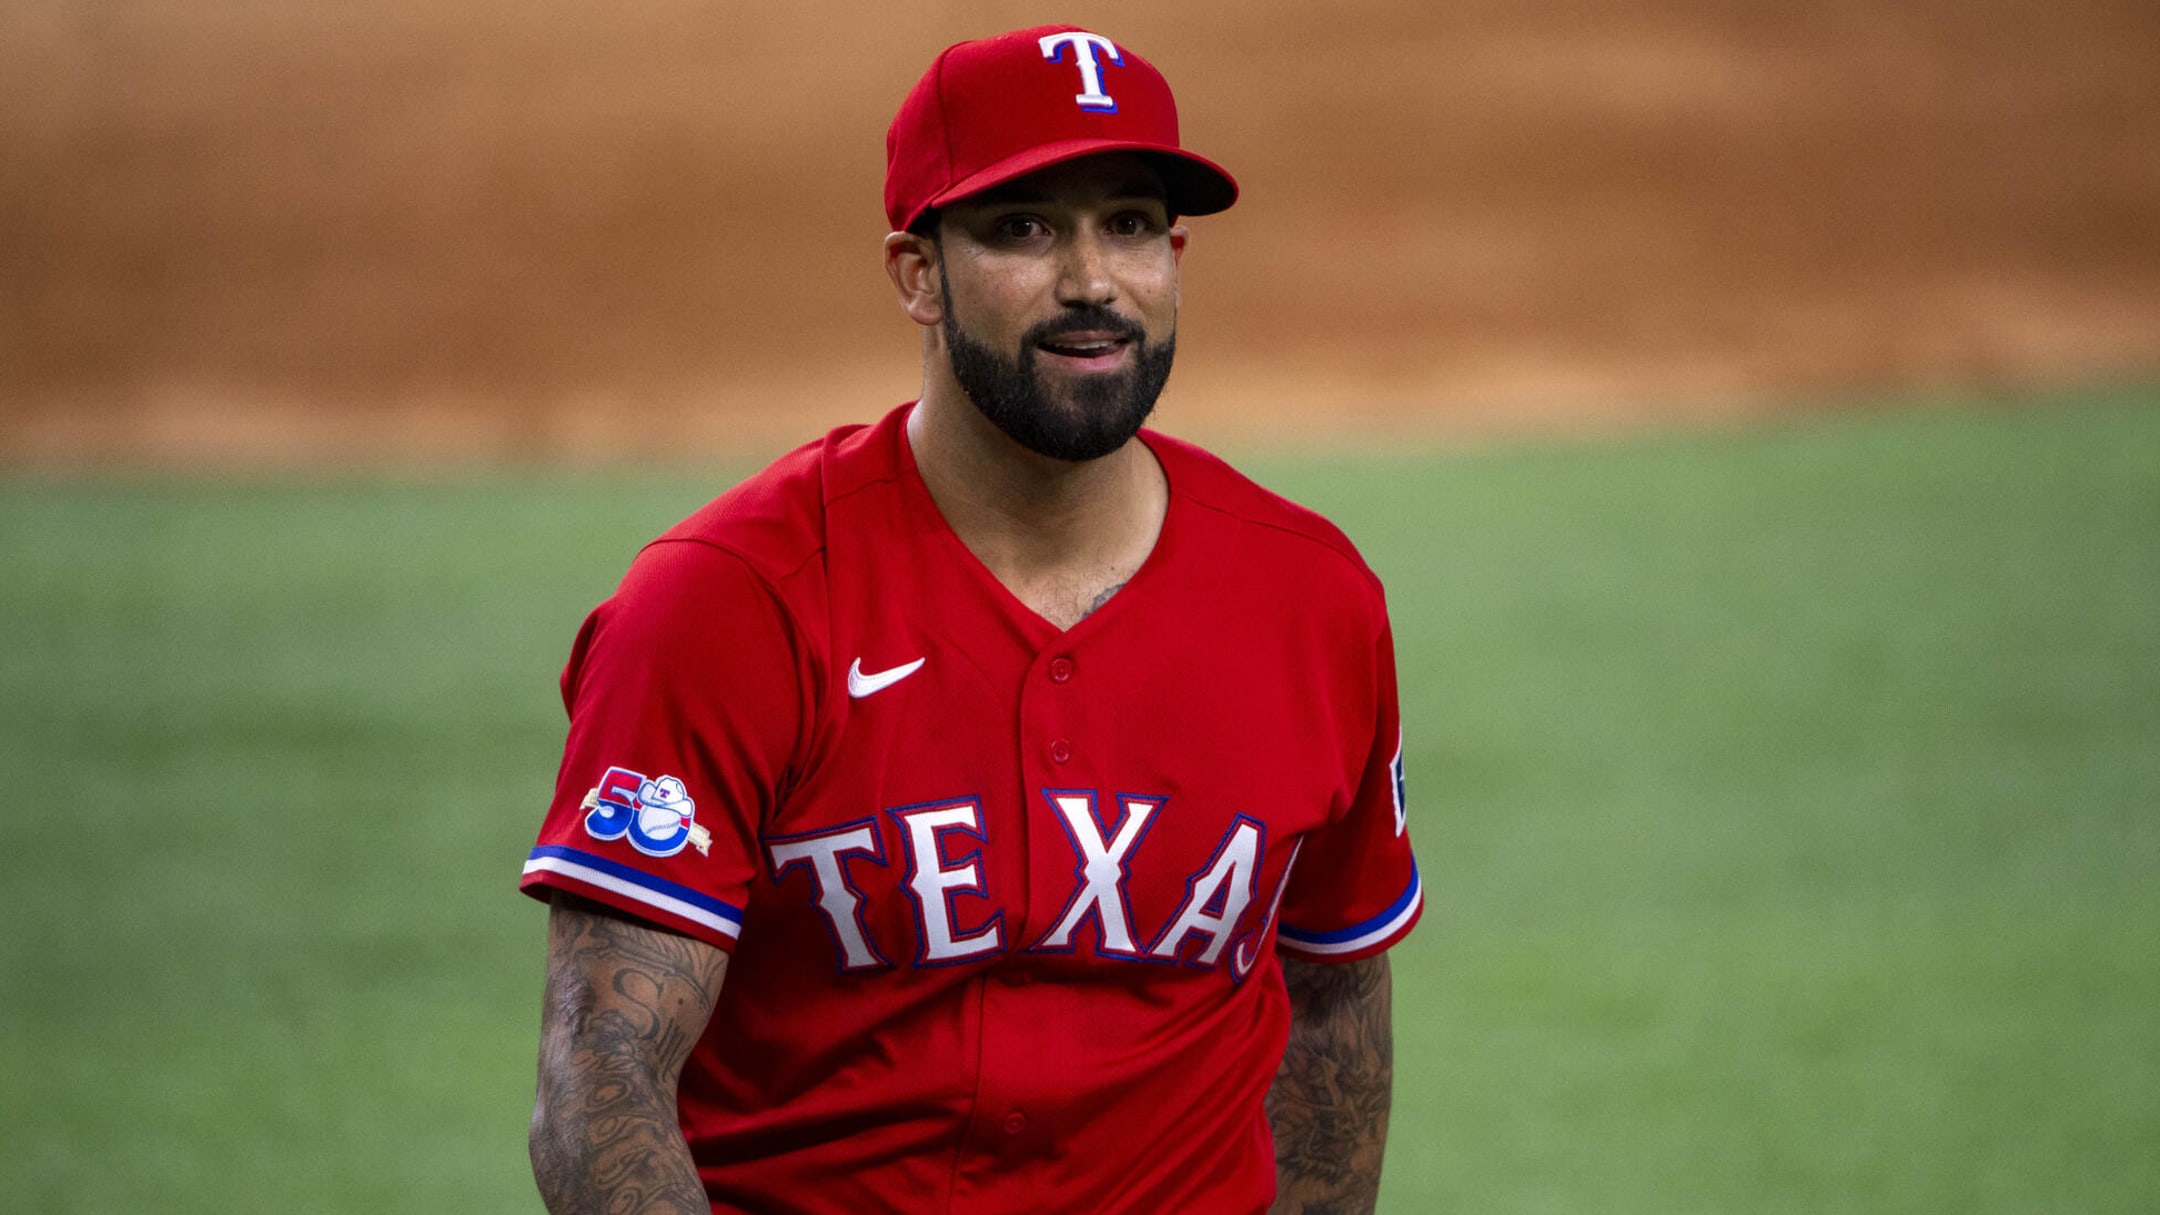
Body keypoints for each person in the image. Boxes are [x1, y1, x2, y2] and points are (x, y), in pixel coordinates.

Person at [520, 25, 1421, 1215]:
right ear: (917, 273)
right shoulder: (730, 601)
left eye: (1131, 224)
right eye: (1023, 229)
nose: (1094, 281)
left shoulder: (1313, 601)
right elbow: (603, 1068)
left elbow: (1338, 1010)